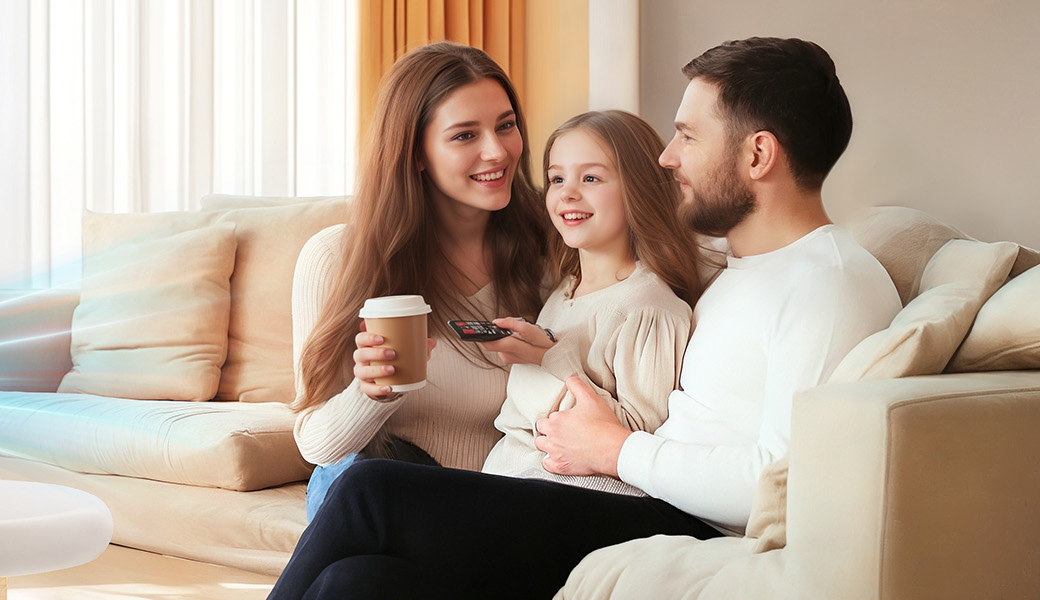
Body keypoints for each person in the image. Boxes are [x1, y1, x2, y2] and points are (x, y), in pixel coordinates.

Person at [268, 37, 903, 600]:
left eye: (688, 136)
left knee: (369, 493)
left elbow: (780, 483)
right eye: (464, 134)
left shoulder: (827, 283)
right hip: (600, 492)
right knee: (356, 582)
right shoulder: (743, 268)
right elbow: (637, 253)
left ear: (759, 154)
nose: (666, 160)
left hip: (670, 516)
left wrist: (620, 448)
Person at [291, 41, 551, 520]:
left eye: (505, 125)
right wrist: (373, 394)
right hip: (385, 491)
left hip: (505, 501)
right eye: (464, 135)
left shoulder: (550, 253)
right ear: (415, 154)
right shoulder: (336, 258)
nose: (496, 151)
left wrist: (552, 356)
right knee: (351, 479)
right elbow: (316, 444)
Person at [478, 110, 705, 497]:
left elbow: (631, 439)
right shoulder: (563, 291)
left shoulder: (648, 309)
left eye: (591, 178)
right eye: (557, 178)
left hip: (576, 496)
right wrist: (541, 354)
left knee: (369, 487)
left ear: (639, 189)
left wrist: (544, 360)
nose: (567, 192)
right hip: (511, 479)